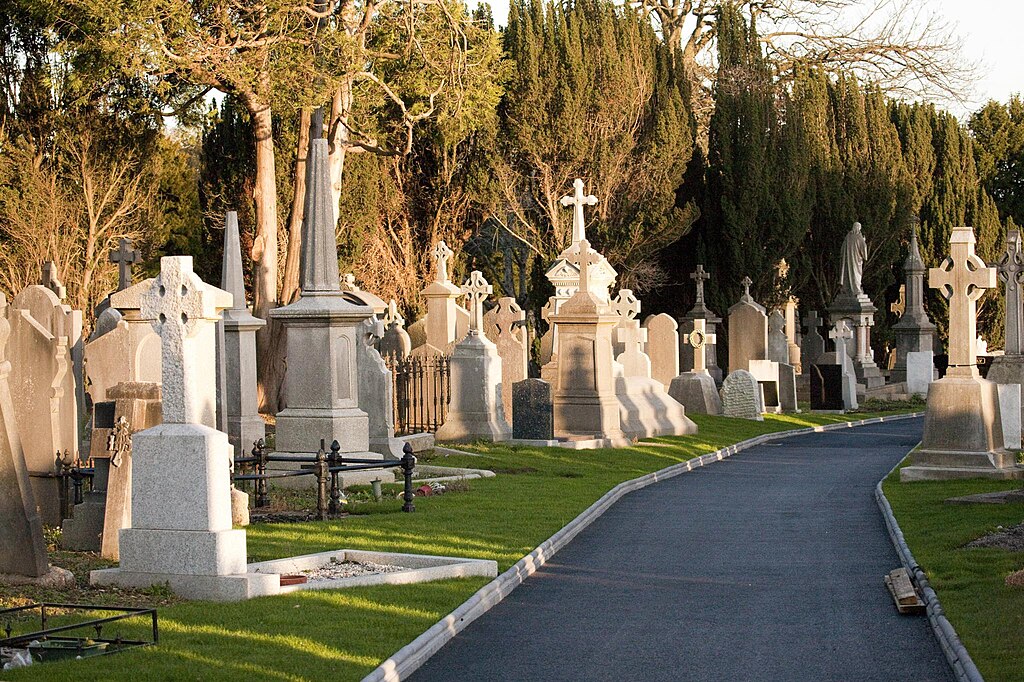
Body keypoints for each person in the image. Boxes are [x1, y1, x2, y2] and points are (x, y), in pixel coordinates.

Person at [839, 222, 867, 296]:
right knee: (856, 274)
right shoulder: (859, 237)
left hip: (847, 261)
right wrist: (864, 241)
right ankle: (856, 289)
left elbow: (842, 249)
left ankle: (846, 289)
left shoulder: (848, 237)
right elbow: (863, 248)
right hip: (856, 262)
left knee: (847, 274)